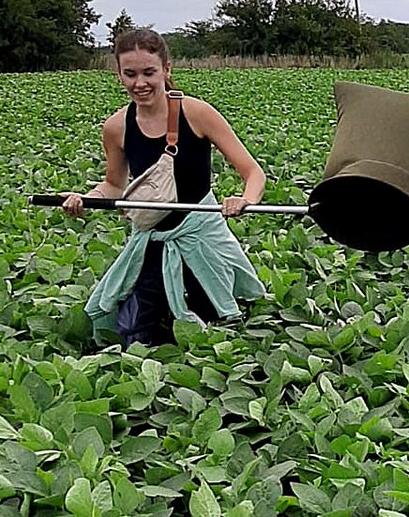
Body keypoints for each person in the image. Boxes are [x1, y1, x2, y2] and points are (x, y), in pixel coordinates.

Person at [61, 28, 266, 346]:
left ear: (166, 70)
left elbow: (253, 172)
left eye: (148, 73)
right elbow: (113, 185)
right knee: (132, 333)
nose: (139, 83)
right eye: (130, 74)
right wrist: (85, 200)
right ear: (119, 75)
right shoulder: (116, 127)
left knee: (218, 326)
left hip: (201, 234)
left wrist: (244, 200)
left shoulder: (197, 113)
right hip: (151, 236)